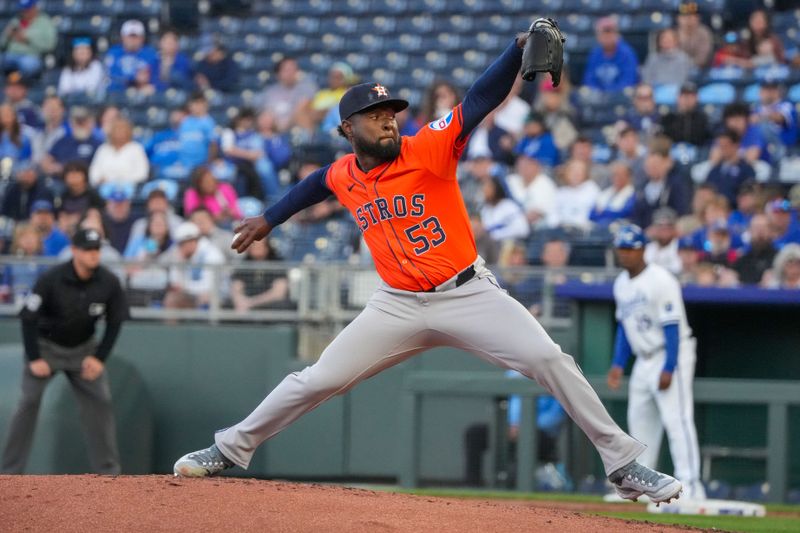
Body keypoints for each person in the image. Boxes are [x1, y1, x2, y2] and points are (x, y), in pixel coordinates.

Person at [173, 34, 684, 505]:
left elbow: (477, 101)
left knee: (550, 359)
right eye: (375, 114)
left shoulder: (428, 149)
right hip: (395, 303)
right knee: (316, 379)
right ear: (348, 128)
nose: (389, 118)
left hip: (466, 292)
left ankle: (623, 464)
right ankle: (229, 449)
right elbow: (315, 185)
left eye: (392, 111)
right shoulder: (345, 172)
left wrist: (515, 50)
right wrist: (269, 218)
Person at [1, 228, 129, 475]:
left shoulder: (108, 281)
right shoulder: (52, 278)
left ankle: (109, 473)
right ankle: (9, 473)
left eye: (96, 250)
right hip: (47, 348)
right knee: (27, 402)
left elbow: (116, 321)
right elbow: (28, 318)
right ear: (74, 251)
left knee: (101, 403)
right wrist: (35, 357)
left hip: (83, 350)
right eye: (88, 250)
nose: (93, 255)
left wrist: (99, 358)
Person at [607, 224, 706, 501]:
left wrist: (669, 367)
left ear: (642, 250)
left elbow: (672, 326)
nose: (625, 254)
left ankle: (691, 485)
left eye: (630, 249)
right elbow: (624, 328)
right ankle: (641, 484)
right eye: (621, 249)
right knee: (638, 422)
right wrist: (617, 364)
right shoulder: (621, 284)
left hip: (670, 352)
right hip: (643, 357)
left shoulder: (661, 279)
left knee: (678, 420)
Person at [464, 371, 568, 489]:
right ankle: (472, 487)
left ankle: (524, 487)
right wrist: (507, 426)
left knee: (533, 438)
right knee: (475, 433)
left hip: (540, 434)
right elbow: (502, 403)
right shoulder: (512, 374)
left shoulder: (555, 375)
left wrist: (525, 428)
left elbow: (556, 416)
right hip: (508, 429)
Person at [162, 221, 225, 310]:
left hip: (216, 295)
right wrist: (181, 262)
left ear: (192, 241)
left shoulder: (211, 254)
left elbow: (209, 286)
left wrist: (184, 287)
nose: (179, 247)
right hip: (190, 294)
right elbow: (174, 281)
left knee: (175, 299)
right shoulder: (179, 253)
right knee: (172, 298)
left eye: (182, 244)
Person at [256, 57, 317, 132]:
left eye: (294, 69)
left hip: (296, 129)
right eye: (287, 70)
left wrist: (284, 126)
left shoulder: (306, 88)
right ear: (278, 73)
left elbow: (302, 109)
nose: (291, 73)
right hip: (274, 130)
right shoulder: (269, 92)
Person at [229, 237, 289, 313]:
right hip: (246, 305)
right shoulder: (243, 262)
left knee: (281, 306)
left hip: (268, 305)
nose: (256, 248)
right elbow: (236, 288)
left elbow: (278, 293)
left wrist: (251, 303)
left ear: (267, 247)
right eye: (253, 245)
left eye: (259, 245)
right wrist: (240, 302)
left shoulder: (277, 262)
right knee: (227, 305)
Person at [582, 16, 638, 93]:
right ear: (598, 36)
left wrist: (610, 94)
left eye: (610, 33)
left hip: (621, 96)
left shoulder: (627, 53)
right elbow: (589, 79)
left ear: (617, 34)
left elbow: (629, 80)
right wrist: (599, 93)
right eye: (604, 34)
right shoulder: (595, 54)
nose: (607, 37)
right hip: (598, 96)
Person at [0, 0, 56, 76]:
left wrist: (28, 39)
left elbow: (50, 45)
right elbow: (2, 45)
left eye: (27, 8)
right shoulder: (15, 20)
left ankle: (23, 86)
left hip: (32, 56)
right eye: (22, 9)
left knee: (28, 64)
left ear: (35, 8)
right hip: (11, 55)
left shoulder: (45, 22)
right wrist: (7, 36)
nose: (24, 11)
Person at [88, 117, 149, 187]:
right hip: (104, 187)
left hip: (130, 188)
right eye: (116, 129)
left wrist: (120, 182)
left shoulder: (136, 148)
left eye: (122, 129)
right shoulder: (103, 149)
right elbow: (94, 172)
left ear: (128, 131)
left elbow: (142, 174)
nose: (119, 132)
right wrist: (99, 180)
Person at [105, 19, 159, 93]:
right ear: (123, 37)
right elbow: (113, 76)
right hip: (119, 93)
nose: (132, 40)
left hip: (142, 92)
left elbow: (155, 77)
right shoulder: (114, 53)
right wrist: (134, 79)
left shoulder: (150, 54)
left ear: (142, 38)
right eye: (130, 36)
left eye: (136, 37)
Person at [705, 130, 755, 207]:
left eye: (725, 146)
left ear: (736, 145)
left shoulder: (746, 169)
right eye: (720, 146)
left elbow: (748, 193)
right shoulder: (715, 169)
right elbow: (708, 187)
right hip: (713, 209)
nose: (722, 149)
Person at [506, 152, 557, 227]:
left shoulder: (546, 184)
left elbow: (535, 215)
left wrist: (513, 224)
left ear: (537, 166)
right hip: (513, 226)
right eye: (520, 164)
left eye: (527, 164)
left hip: (540, 228)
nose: (523, 167)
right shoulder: (511, 180)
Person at [547, 159, 600, 230]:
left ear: (585, 173)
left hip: (583, 231)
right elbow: (552, 214)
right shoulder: (560, 192)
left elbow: (594, 213)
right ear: (566, 173)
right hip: (561, 230)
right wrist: (557, 225)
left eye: (580, 171)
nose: (576, 174)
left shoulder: (592, 189)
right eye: (572, 170)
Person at [660, 83, 711, 147]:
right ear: (678, 97)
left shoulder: (703, 119)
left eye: (691, 96)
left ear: (697, 98)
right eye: (685, 96)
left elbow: (708, 141)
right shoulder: (668, 118)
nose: (687, 99)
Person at [480, 177, 530, 243]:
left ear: (496, 189)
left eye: (489, 187)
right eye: (484, 187)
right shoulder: (485, 209)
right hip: (492, 247)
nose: (485, 190)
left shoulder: (508, 205)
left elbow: (523, 229)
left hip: (512, 245)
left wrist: (497, 235)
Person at [179, 92, 217, 172]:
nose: (197, 107)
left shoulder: (208, 122)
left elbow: (213, 144)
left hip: (201, 165)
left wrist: (208, 163)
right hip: (184, 164)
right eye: (194, 103)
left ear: (205, 105)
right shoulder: (185, 121)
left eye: (200, 103)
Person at [590, 161, 635, 227]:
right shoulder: (605, 193)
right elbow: (591, 214)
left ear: (628, 177)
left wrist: (603, 212)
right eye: (615, 175)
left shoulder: (632, 194)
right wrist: (608, 213)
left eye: (621, 175)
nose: (617, 178)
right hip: (599, 228)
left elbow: (623, 213)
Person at [644, 207, 682, 276]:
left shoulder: (681, 247)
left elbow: (678, 270)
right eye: (660, 225)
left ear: (675, 228)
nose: (664, 229)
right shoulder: (647, 249)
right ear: (653, 228)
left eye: (668, 225)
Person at [675, 1, 713, 68]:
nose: (688, 20)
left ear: (698, 18)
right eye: (685, 17)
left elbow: (702, 59)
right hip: (676, 70)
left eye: (692, 16)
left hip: (700, 71)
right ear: (678, 19)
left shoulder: (704, 33)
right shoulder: (673, 34)